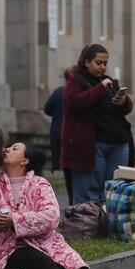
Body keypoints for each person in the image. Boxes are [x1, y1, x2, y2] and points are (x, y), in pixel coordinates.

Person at [0, 142, 125, 269]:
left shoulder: (40, 184)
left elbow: (51, 216)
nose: (6, 149)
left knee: (71, 261)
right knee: (40, 262)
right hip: (9, 247)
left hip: (43, 240)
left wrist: (16, 219)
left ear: (25, 161)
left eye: (14, 149)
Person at [61, 44, 133, 205]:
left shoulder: (109, 82)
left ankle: (108, 225)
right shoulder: (76, 82)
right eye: (98, 63)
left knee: (114, 189)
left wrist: (123, 101)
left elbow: (126, 109)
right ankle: (86, 227)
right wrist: (100, 88)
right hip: (90, 144)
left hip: (117, 141)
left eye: (105, 63)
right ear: (87, 62)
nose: (102, 67)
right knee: (88, 190)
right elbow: (75, 103)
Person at [44, 66, 75, 204]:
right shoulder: (78, 92)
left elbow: (47, 109)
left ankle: (71, 201)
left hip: (57, 130)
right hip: (72, 134)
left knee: (66, 169)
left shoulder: (58, 92)